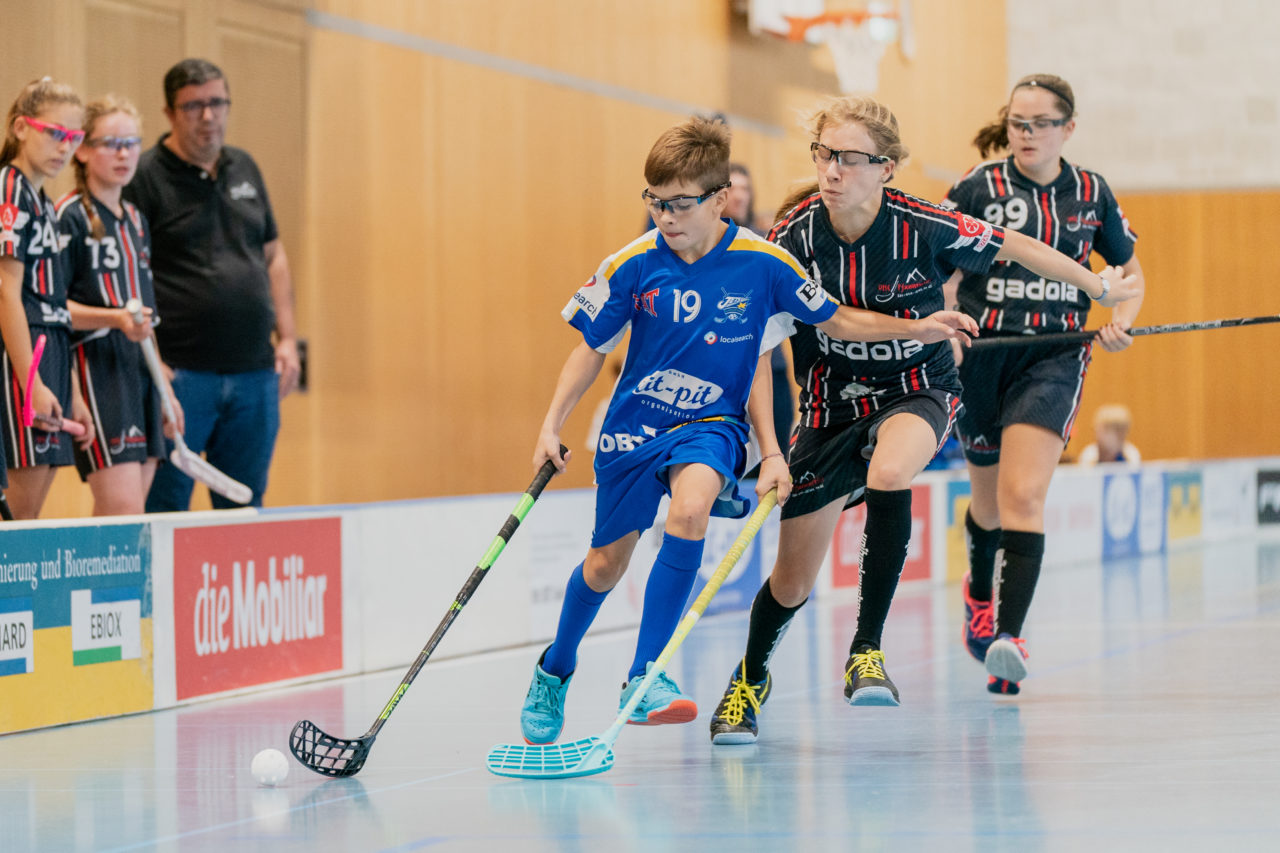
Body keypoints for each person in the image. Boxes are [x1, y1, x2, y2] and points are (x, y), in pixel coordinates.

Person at [518, 115, 978, 746]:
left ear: (718, 200)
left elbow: (833, 323)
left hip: (711, 424)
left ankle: (646, 675)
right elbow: (591, 347)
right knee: (603, 566)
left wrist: (915, 328)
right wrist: (551, 425)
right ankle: (555, 667)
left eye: (680, 205)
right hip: (635, 426)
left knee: (690, 511)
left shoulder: (764, 264)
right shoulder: (631, 264)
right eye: (655, 203)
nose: (665, 218)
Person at [707, 95, 1139, 744]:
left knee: (891, 468)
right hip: (828, 408)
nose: (832, 170)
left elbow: (1017, 246)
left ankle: (867, 649)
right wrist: (770, 450)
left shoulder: (923, 223)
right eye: (825, 155)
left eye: (850, 159)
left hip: (916, 389)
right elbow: (760, 353)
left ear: (886, 168)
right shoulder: (793, 235)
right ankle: (749, 678)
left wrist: (1100, 288)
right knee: (791, 580)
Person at [944, 74, 1145, 695]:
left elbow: (1129, 274)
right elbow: (936, 268)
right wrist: (942, 323)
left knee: (1023, 494)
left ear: (1068, 129)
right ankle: (979, 595)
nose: (1027, 135)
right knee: (987, 504)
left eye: (1040, 124)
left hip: (1054, 355)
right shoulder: (977, 188)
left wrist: (1121, 324)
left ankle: (1010, 636)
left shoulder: (1091, 193)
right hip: (983, 354)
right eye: (1017, 124)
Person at [124, 58, 299, 510]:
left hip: (254, 375)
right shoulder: (144, 178)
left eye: (217, 103)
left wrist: (289, 338)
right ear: (169, 113)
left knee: (244, 505)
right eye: (194, 106)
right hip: (181, 377)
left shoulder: (245, 167)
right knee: (165, 508)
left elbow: (274, 254)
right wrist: (154, 365)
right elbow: (124, 274)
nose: (208, 117)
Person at [58, 94, 184, 515]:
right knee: (122, 508)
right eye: (112, 142)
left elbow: (144, 316)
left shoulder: (135, 219)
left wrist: (165, 388)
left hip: (141, 368)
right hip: (97, 366)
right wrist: (114, 319)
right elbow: (48, 307)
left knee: (128, 517)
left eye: (132, 142)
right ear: (83, 149)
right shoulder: (68, 217)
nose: (125, 153)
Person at [0, 77, 96, 519]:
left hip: (51, 351)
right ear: (21, 128)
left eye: (74, 138)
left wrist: (71, 389)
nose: (65, 147)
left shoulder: (39, 197)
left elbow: (56, 305)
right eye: (55, 133)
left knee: (30, 515)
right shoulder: (11, 188)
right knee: (17, 519)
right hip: (26, 356)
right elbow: (5, 290)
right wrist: (31, 381)